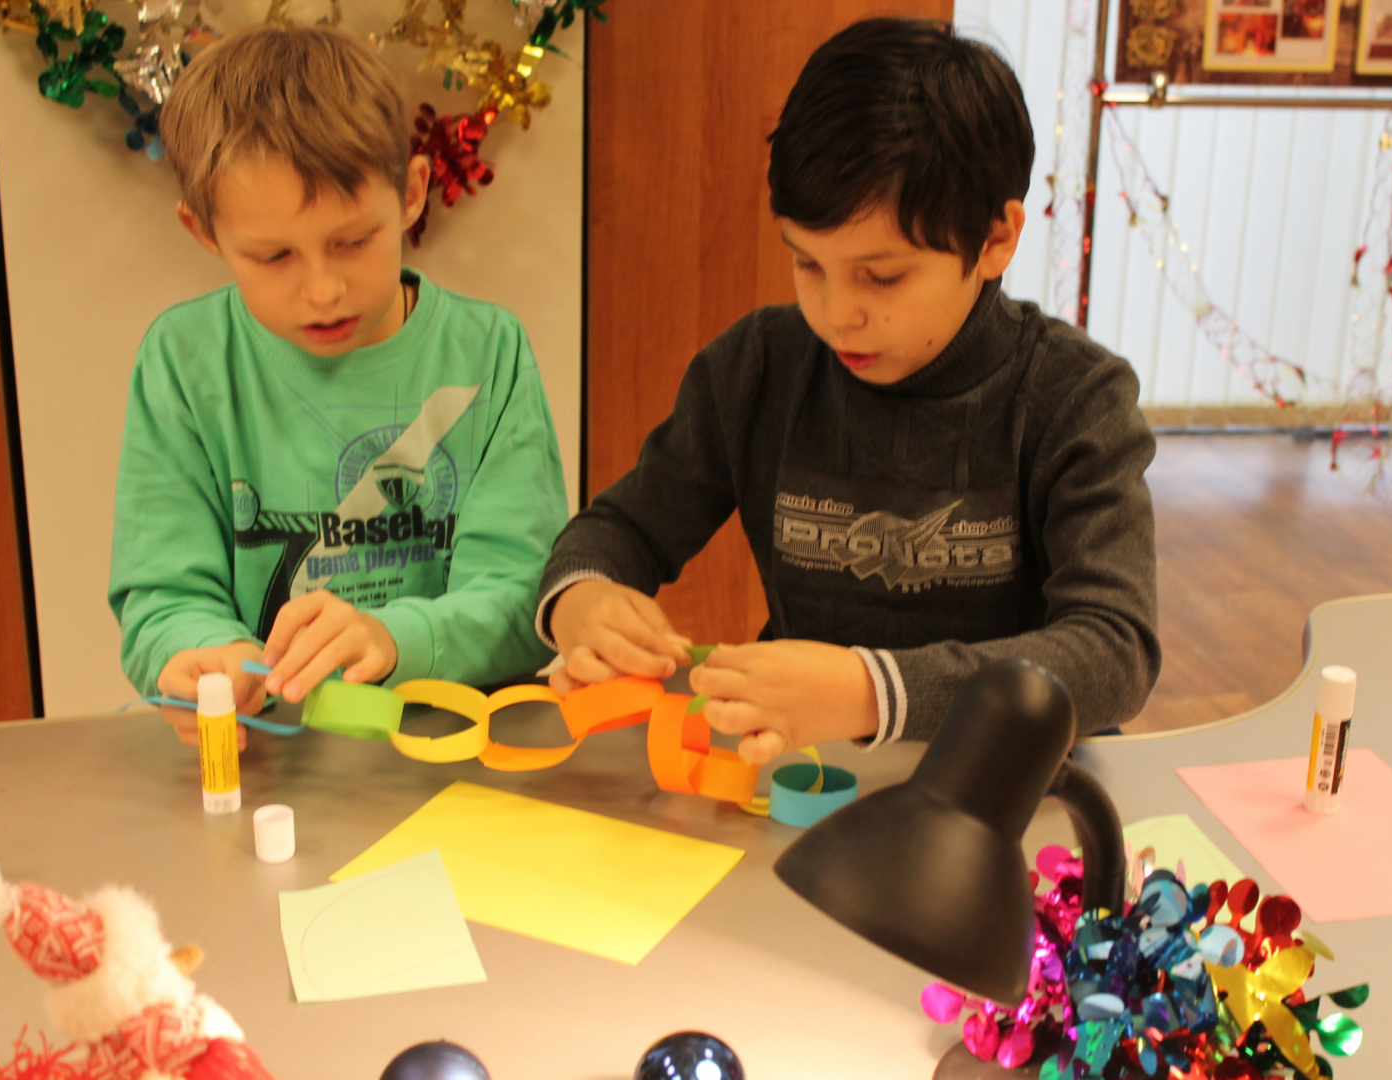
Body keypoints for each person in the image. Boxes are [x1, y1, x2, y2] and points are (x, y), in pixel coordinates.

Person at [538, 18, 1160, 764]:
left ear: (996, 239)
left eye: (882, 276)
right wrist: (582, 598)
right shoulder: (758, 368)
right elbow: (620, 530)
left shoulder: (1075, 396)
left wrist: (872, 692)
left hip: (1013, 782)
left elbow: (1115, 649)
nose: (836, 314)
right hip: (806, 777)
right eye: (807, 264)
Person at [109, 25, 567, 747]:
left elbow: (523, 602)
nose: (322, 290)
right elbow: (163, 598)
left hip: (457, 755)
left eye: (352, 242)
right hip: (269, 761)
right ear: (205, 233)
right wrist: (200, 654)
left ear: (411, 193)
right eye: (273, 257)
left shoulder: (488, 352)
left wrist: (393, 638)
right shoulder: (185, 362)